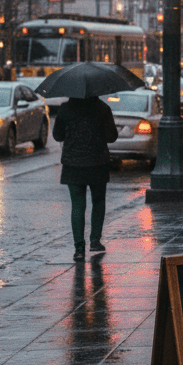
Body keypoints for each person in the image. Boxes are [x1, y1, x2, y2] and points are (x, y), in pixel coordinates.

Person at [53, 96, 118, 261]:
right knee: (98, 201)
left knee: (77, 204)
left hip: (73, 163)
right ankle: (95, 240)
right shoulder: (102, 108)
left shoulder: (65, 108)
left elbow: (57, 136)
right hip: (97, 162)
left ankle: (79, 247)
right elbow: (112, 136)